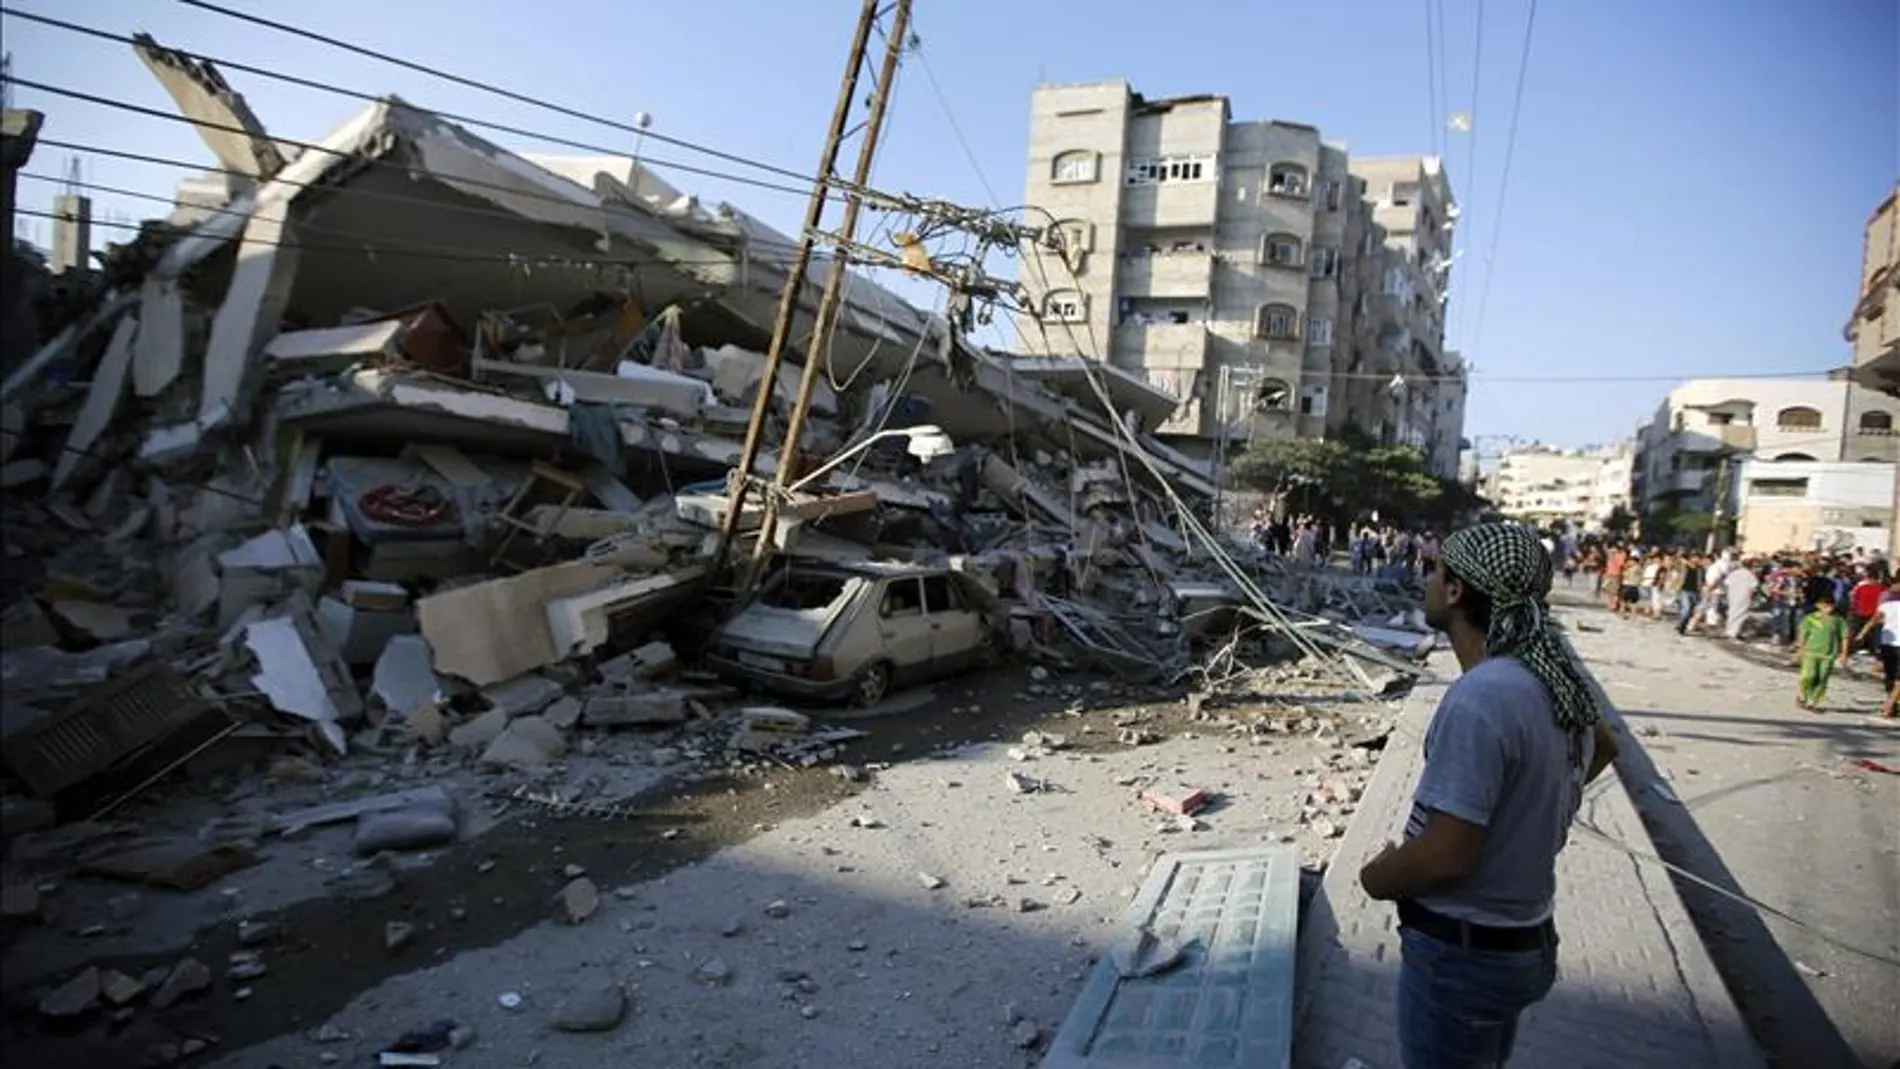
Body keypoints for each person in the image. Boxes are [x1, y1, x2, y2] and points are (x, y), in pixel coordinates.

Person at [1359, 522, 1619, 1067]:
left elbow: (1447, 855)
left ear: (1455, 591)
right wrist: (1535, 814)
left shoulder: (1483, 696)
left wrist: (1377, 877)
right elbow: (1604, 744)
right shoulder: (1547, 677)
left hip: (1463, 954)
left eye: (1435, 570)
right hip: (1521, 941)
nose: (1426, 577)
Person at [1794, 592, 1850, 711]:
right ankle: (1803, 695)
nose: (1828, 609)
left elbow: (1844, 636)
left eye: (1830, 606)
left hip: (1829, 654)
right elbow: (1803, 633)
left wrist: (1844, 653)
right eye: (1825, 606)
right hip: (1811, 652)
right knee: (1808, 676)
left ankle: (1813, 701)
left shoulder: (1838, 620)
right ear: (1818, 605)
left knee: (1822, 677)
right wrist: (1800, 649)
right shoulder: (1811, 618)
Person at [1854, 579, 1900, 720]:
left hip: (1887, 644)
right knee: (1897, 678)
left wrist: (1861, 634)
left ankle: (1891, 704)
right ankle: (1889, 706)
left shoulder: (1886, 606)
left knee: (1890, 675)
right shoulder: (1887, 606)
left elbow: (1874, 620)